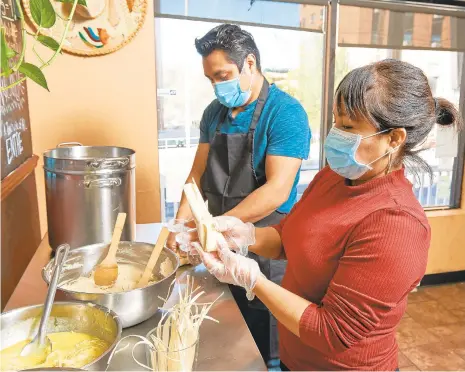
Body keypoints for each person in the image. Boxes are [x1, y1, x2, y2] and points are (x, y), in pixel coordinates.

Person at [190, 59, 463, 370]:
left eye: (348, 127)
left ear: (394, 138)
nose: (336, 134)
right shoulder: (333, 176)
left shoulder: (396, 224)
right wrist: (246, 235)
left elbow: (332, 332)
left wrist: (254, 280)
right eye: (336, 122)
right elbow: (288, 238)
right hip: (296, 357)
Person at [167, 23, 311, 366]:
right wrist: (180, 224)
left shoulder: (285, 113)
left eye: (222, 75)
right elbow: (197, 176)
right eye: (210, 79)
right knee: (229, 323)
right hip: (218, 237)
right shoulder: (213, 114)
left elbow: (277, 190)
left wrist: (215, 226)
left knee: (265, 334)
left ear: (249, 64)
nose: (217, 86)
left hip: (265, 240)